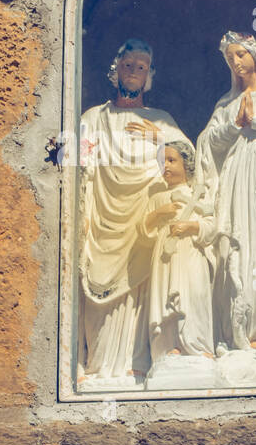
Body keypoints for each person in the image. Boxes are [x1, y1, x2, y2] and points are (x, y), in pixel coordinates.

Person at [77, 39, 186, 389]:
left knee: (141, 291)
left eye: (141, 67)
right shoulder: (94, 118)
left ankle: (135, 366)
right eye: (128, 65)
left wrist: (159, 138)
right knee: (96, 292)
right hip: (102, 225)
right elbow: (79, 165)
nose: (134, 72)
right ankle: (97, 368)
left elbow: (189, 165)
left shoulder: (162, 121)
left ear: (149, 75)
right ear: (116, 70)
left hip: (145, 225)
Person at [196, 31, 256, 381]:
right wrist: (236, 124)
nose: (236, 62)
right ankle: (237, 336)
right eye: (231, 57)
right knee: (235, 248)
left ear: (254, 57)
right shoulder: (227, 103)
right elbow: (208, 143)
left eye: (241, 54)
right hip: (235, 180)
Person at [138, 140, 216, 380]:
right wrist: (161, 212)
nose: (166, 167)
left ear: (187, 163)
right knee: (165, 301)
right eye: (162, 162)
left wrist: (191, 226)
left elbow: (212, 226)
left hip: (191, 253)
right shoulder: (159, 197)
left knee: (193, 295)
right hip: (165, 256)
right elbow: (143, 228)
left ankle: (197, 345)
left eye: (172, 160)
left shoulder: (198, 194)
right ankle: (170, 345)